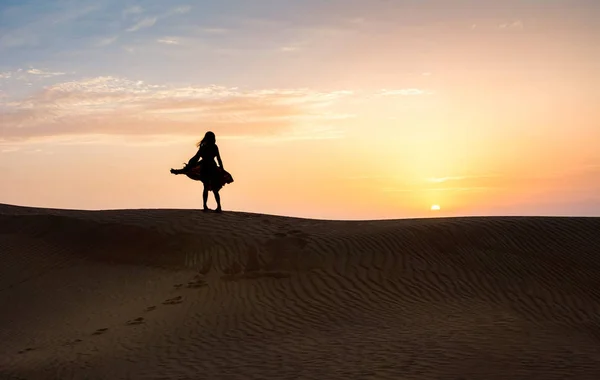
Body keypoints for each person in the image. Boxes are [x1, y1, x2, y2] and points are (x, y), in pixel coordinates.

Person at [170, 131, 233, 212]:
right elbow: (218, 159)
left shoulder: (205, 147)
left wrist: (191, 164)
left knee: (206, 187)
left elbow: (197, 157)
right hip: (211, 167)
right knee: (214, 189)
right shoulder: (214, 147)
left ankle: (206, 207)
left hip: (206, 167)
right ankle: (217, 207)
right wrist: (222, 169)